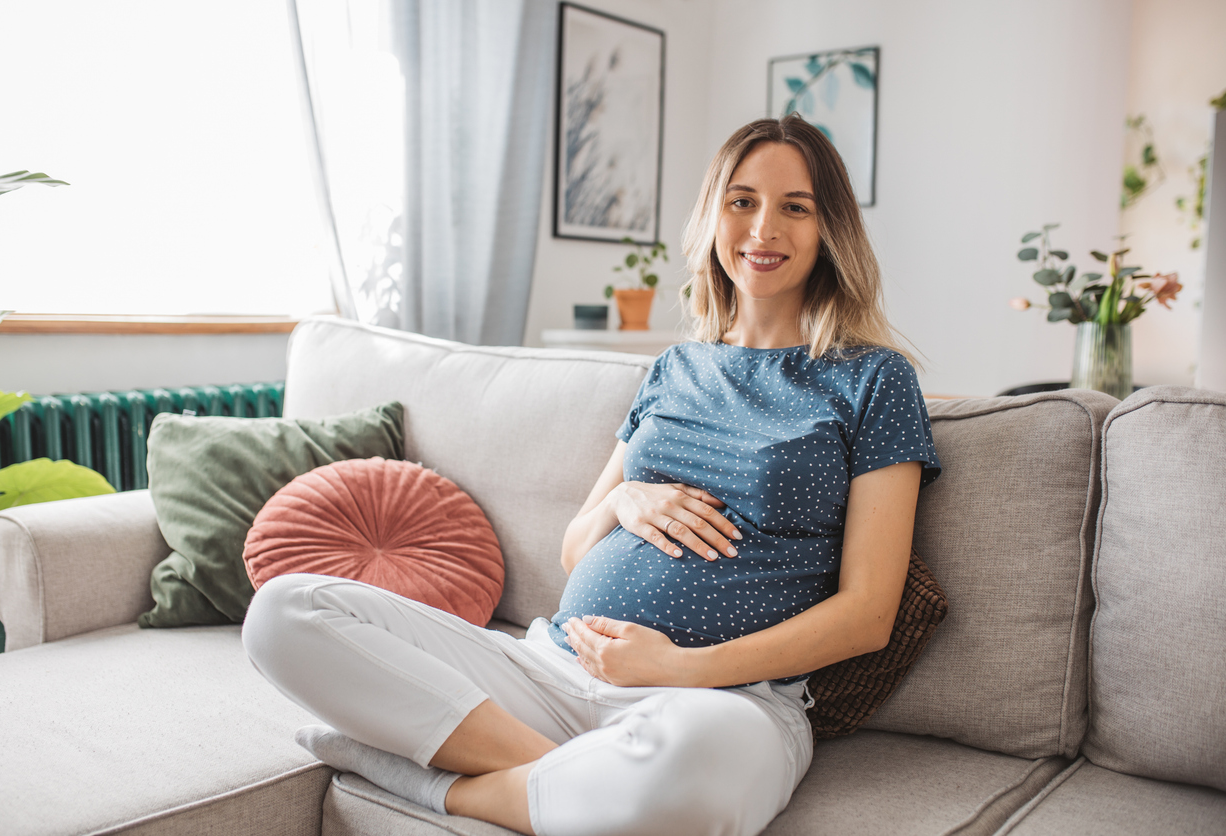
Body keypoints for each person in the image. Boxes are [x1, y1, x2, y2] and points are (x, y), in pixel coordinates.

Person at [242, 114, 941, 836]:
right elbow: (577, 547)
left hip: (721, 701)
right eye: (742, 201)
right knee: (285, 611)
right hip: (555, 666)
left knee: (696, 782)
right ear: (713, 217)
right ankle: (577, 777)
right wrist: (628, 497)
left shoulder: (872, 380)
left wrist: (676, 668)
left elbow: (869, 614)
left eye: (795, 207)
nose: (764, 227)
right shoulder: (674, 370)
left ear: (830, 230)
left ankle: (437, 785)